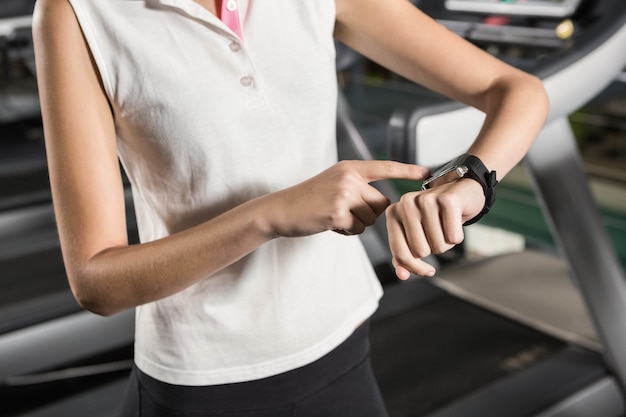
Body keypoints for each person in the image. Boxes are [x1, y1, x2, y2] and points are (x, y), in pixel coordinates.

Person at [31, 0, 549, 415]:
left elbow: (515, 90)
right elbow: (97, 281)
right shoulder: (76, 13)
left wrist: (467, 185)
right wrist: (271, 214)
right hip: (206, 381)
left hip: (343, 346)